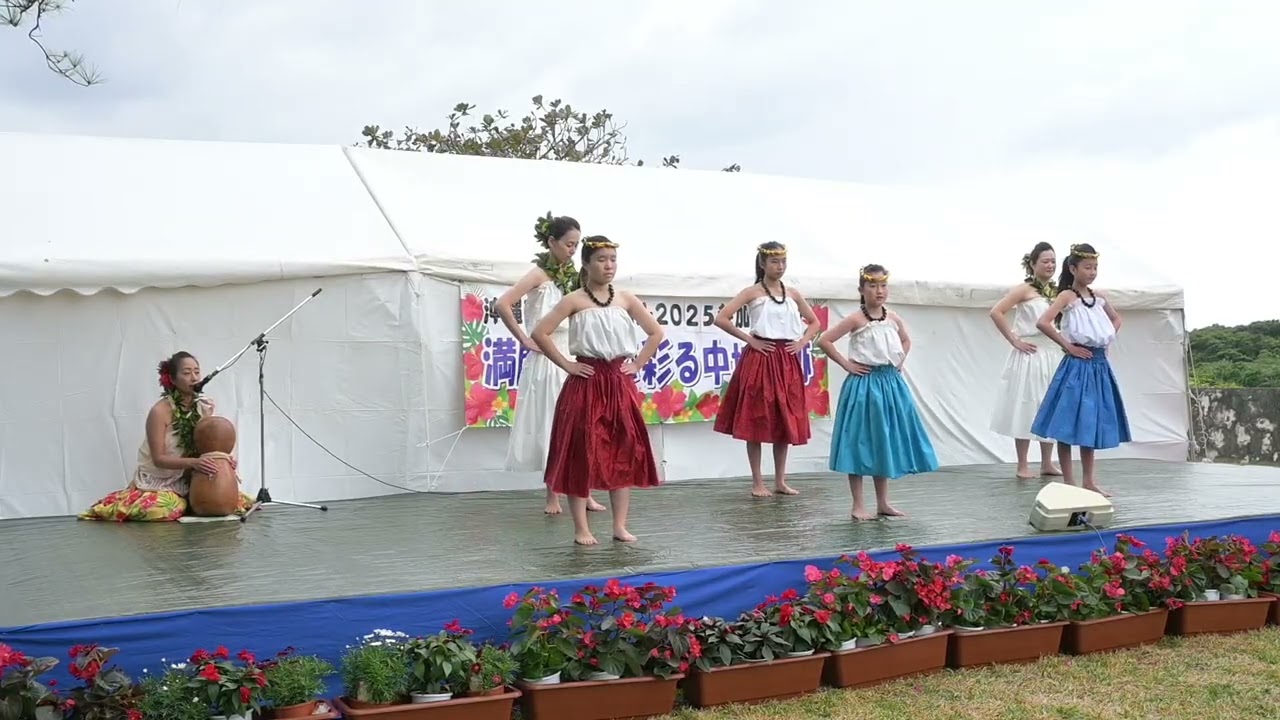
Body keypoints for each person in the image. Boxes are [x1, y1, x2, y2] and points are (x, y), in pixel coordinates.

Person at [532, 235, 664, 545]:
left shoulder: (626, 299)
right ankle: (582, 528)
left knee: (623, 450)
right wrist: (567, 364)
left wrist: (638, 363)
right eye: (601, 259)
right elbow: (540, 333)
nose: (608, 265)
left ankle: (619, 525)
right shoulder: (574, 300)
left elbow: (656, 332)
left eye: (612, 259)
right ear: (587, 263)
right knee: (581, 452)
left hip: (618, 382)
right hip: (586, 380)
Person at [496, 212, 606, 515]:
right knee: (551, 423)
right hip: (547, 357)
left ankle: (584, 492)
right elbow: (503, 303)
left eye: (576, 245)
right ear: (551, 242)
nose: (572, 250)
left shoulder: (575, 277)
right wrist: (523, 339)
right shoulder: (538, 274)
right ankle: (552, 495)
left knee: (582, 425)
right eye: (569, 244)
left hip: (573, 353)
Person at [818, 264, 938, 521]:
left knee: (883, 440)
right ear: (861, 289)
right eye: (872, 286)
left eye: (883, 286)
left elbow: (906, 340)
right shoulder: (856, 319)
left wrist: (899, 361)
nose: (879, 291)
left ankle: (883, 502)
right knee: (859, 441)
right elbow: (824, 340)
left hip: (889, 383)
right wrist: (847, 364)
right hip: (864, 385)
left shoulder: (892, 318)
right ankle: (858, 504)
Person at [80, 352, 246, 522]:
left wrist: (221, 458)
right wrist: (194, 462)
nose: (194, 378)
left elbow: (206, 445)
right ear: (172, 379)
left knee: (236, 502)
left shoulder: (203, 407)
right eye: (187, 373)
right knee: (165, 509)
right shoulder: (159, 412)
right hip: (161, 480)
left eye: (197, 372)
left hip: (189, 476)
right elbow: (159, 459)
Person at [712, 241, 821, 496]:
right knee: (757, 419)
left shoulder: (792, 293)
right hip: (761, 358)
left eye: (783, 261)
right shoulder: (752, 292)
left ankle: (780, 480)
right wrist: (750, 340)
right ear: (762, 263)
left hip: (786, 360)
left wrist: (802, 342)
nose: (780, 266)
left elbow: (814, 322)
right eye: (774, 261)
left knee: (784, 420)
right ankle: (757, 482)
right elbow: (721, 318)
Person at [1030, 243, 1131, 497]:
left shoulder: (1099, 298)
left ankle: (1089, 481)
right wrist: (1068, 346)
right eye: (1087, 267)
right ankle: (1069, 482)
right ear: (1073, 269)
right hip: (1076, 367)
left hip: (1098, 366)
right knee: (1066, 423)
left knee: (1090, 423)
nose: (1092, 272)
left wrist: (1105, 339)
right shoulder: (1067, 296)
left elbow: (1117, 319)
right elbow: (1043, 322)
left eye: (1095, 267)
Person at [988, 242, 1064, 479]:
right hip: (1031, 353)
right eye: (1045, 261)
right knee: (1026, 404)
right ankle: (1022, 464)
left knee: (1048, 405)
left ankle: (1047, 463)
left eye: (1053, 261)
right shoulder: (1024, 289)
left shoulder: (1057, 292)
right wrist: (1014, 339)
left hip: (1052, 353)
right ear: (1033, 264)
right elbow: (996, 312)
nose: (1050, 265)